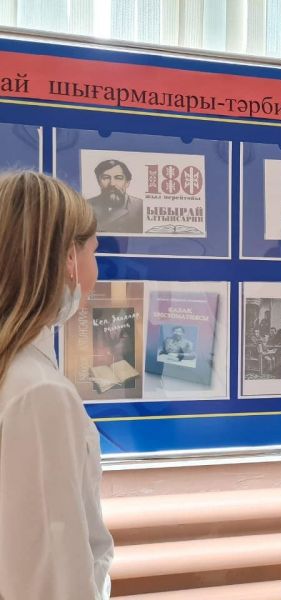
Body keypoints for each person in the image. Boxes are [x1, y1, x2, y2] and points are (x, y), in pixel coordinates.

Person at [0, 172, 113, 599]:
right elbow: (51, 580)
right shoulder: (39, 393)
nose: (95, 271)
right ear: (69, 259)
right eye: (93, 251)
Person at [87, 158, 144, 234]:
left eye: (118, 178)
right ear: (99, 182)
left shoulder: (140, 206)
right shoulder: (86, 206)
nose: (112, 183)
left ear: (127, 183)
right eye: (106, 178)